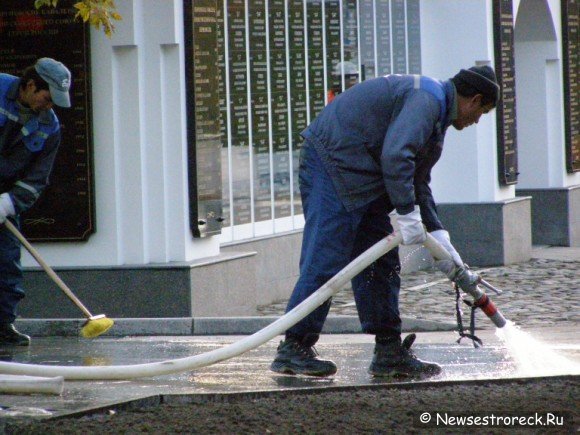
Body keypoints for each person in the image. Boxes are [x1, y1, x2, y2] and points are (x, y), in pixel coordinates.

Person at [270, 65, 499, 378]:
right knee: (326, 258)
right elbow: (396, 156)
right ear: (473, 100)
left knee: (381, 264)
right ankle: (293, 348)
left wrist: (440, 239)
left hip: (363, 174)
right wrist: (406, 212)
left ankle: (389, 351)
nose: (477, 121)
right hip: (333, 165)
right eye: (482, 112)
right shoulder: (427, 100)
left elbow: (419, 181)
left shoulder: (436, 113)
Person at [0, 58, 72, 346]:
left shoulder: (49, 128)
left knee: (7, 264)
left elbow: (36, 180)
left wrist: (8, 203)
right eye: (47, 97)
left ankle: (3, 326)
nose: (49, 106)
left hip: (3, 200)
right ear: (30, 86)